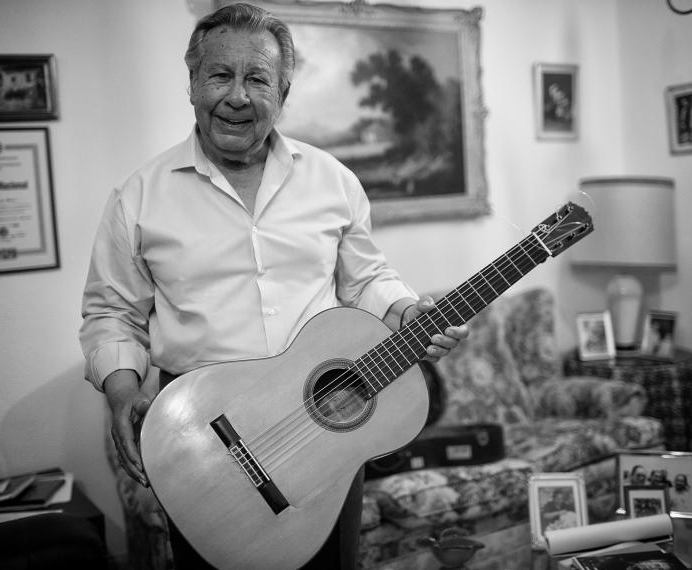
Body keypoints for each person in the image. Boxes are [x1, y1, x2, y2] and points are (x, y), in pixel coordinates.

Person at [78, 3, 469, 569]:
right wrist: (121, 392)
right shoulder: (138, 197)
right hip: (207, 440)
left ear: (283, 93)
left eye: (257, 79)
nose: (237, 96)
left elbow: (367, 278)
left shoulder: (334, 181)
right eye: (220, 75)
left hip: (324, 428)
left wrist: (405, 311)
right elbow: (112, 313)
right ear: (192, 83)